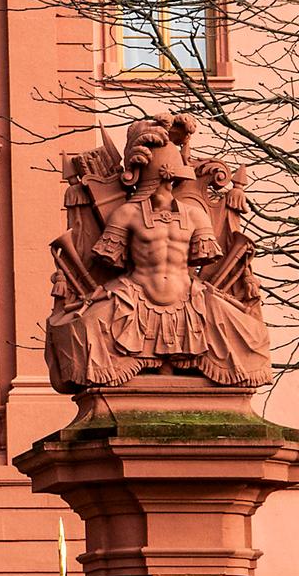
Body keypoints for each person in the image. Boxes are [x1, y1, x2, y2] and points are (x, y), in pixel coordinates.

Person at [46, 118, 272, 390]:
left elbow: (205, 257)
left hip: (190, 298)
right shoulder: (127, 213)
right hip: (133, 297)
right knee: (83, 329)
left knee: (251, 333)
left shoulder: (195, 214)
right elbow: (108, 258)